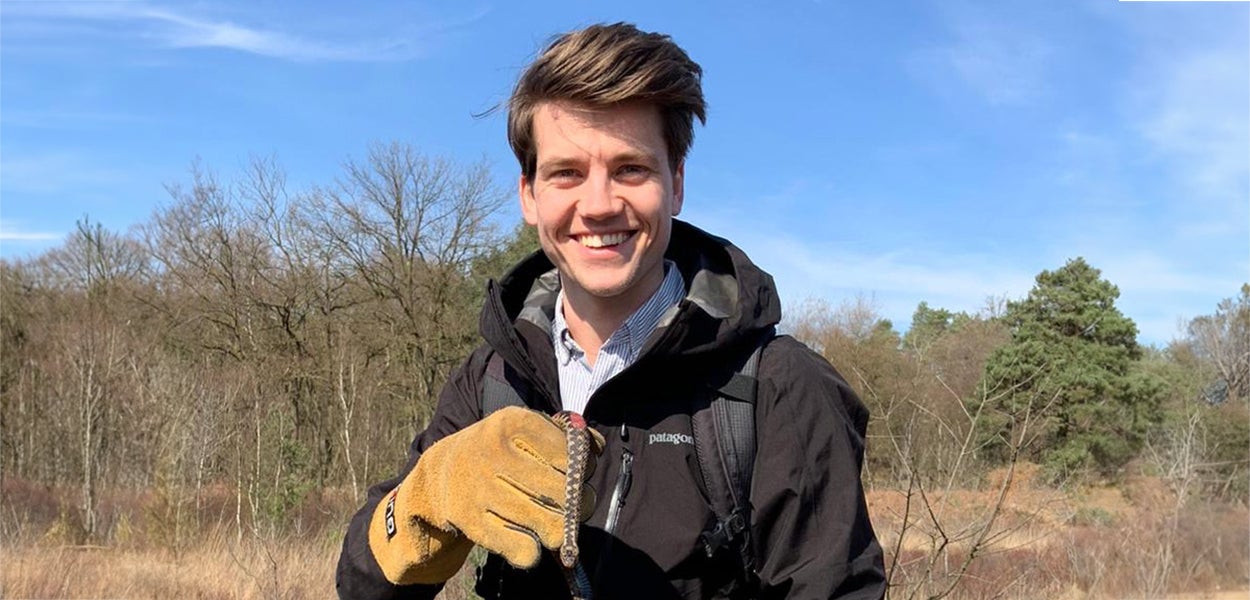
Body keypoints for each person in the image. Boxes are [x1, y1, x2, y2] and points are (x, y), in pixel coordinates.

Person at [336, 22, 885, 599]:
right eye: (566, 173)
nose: (598, 205)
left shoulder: (779, 389)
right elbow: (362, 589)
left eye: (630, 169)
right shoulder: (491, 380)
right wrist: (428, 500)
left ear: (675, 184)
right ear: (529, 194)